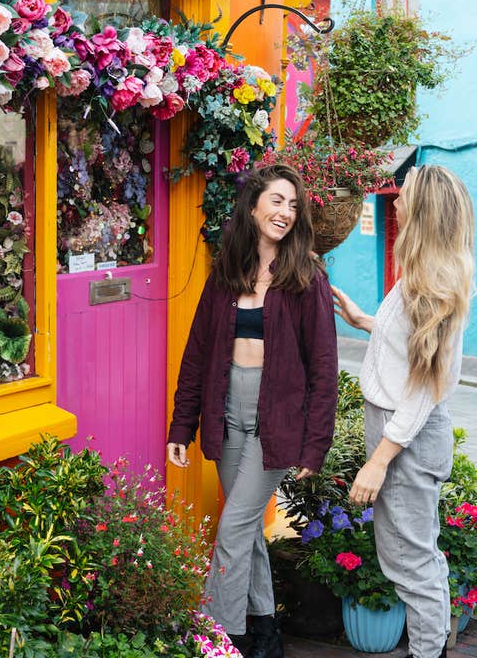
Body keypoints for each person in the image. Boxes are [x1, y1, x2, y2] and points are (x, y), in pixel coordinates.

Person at [167, 164, 338, 658]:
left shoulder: (306, 277)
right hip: (226, 412)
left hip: (277, 419)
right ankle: (264, 631)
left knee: (234, 527)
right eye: (277, 201)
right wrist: (183, 423)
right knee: (245, 531)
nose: (285, 212)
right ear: (254, 205)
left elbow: (324, 368)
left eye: (292, 204)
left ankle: (219, 638)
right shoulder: (227, 271)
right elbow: (197, 353)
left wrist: (315, 443)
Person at [331, 165, 476, 658]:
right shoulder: (424, 273)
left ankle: (427, 653)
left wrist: (380, 459)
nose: (394, 203)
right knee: (411, 558)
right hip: (401, 431)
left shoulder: (432, 283)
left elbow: (423, 389)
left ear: (424, 211)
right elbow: (409, 351)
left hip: (406, 436)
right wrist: (364, 320)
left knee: (411, 563)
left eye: (403, 196)